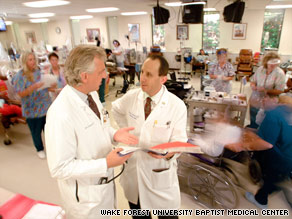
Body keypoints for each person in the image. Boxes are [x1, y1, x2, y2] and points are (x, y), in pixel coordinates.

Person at [45, 45, 138, 218]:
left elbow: (98, 125)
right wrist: (105, 164)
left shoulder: (91, 94)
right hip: (85, 201)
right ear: (84, 76)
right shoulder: (60, 113)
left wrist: (114, 134)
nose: (105, 75)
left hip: (102, 188)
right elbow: (59, 168)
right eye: (101, 71)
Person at [112, 55, 188, 218]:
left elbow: (180, 141)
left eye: (149, 74)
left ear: (163, 79)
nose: (142, 78)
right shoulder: (132, 96)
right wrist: (125, 131)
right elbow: (116, 110)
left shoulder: (176, 106)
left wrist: (168, 152)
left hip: (160, 172)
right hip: (134, 172)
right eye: (142, 72)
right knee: (139, 214)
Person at [245, 96, 292, 209]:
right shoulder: (285, 112)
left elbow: (266, 143)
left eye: (266, 98)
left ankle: (261, 201)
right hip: (288, 154)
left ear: (276, 100)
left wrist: (247, 146)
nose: (263, 100)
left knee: (272, 178)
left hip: (279, 157)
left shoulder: (274, 114)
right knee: (279, 177)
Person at [12, 52, 54, 159]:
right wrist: (33, 87)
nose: (33, 62)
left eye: (34, 59)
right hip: (32, 109)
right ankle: (39, 149)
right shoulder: (19, 76)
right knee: (36, 131)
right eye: (30, 60)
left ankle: (52, 148)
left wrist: (51, 84)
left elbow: (43, 84)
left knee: (49, 129)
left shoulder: (38, 72)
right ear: (24, 61)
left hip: (45, 105)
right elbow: (21, 94)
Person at [249, 52, 286, 129]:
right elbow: (253, 81)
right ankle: (253, 128)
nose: (273, 65)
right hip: (256, 97)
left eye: (275, 63)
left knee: (264, 121)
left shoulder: (280, 73)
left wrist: (265, 90)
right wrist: (253, 85)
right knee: (253, 116)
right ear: (266, 61)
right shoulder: (260, 69)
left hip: (269, 101)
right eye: (270, 63)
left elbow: (280, 90)